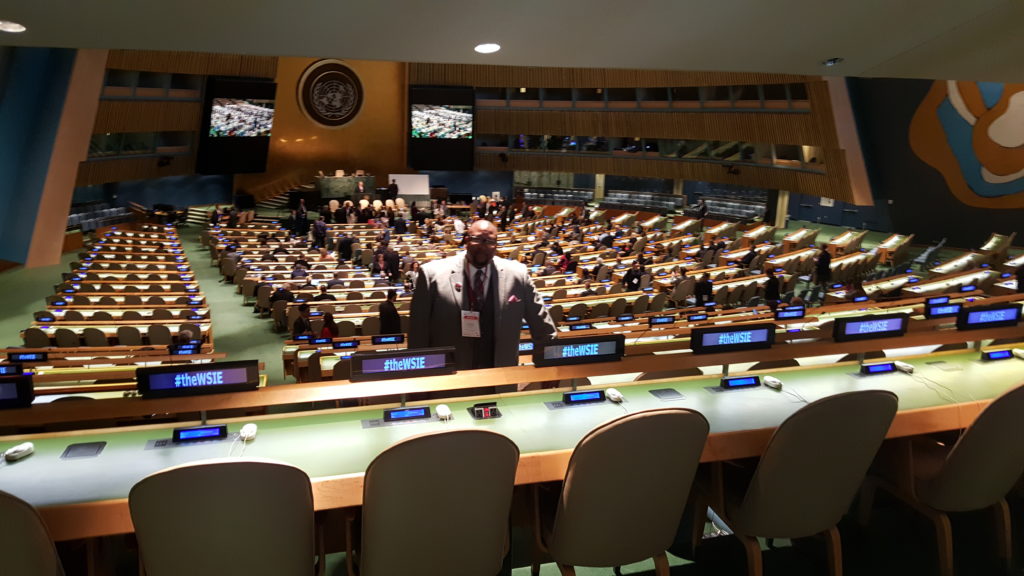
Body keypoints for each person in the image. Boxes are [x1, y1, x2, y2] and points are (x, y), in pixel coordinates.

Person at [409, 219, 556, 370]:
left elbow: (543, 328)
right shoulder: (431, 274)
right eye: (477, 239)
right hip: (449, 376)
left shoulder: (518, 275)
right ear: (466, 240)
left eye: (490, 242)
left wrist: (551, 364)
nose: (483, 247)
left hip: (500, 377)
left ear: (496, 245)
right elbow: (418, 333)